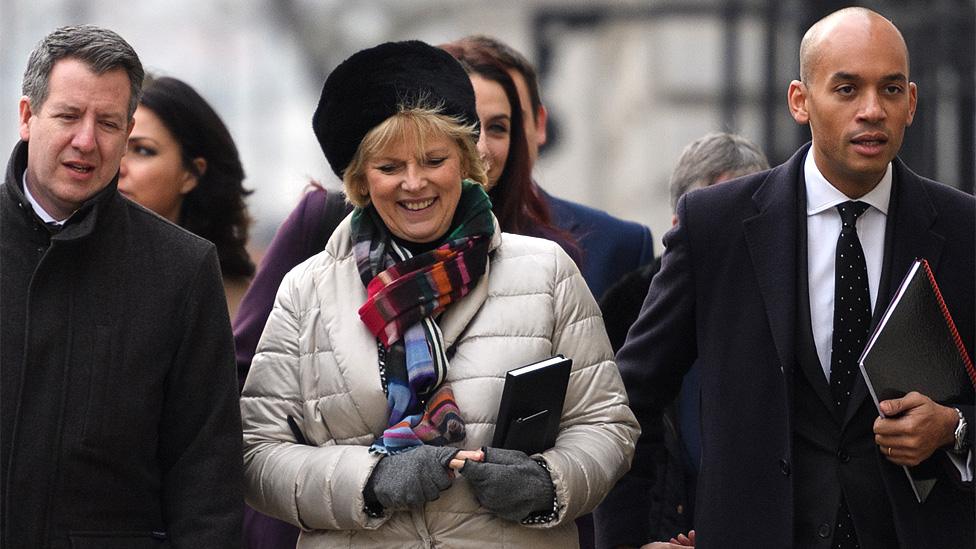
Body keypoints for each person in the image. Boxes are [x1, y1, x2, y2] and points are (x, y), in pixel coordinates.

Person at [239, 40, 639, 548]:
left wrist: (546, 482)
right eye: (389, 167)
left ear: (467, 161)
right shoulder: (306, 289)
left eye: (433, 160)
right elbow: (256, 453)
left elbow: (606, 425)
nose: (414, 183)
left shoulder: (546, 271)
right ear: (361, 179)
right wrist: (373, 481)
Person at [613, 7, 974, 549]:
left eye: (891, 90)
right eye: (847, 89)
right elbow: (627, 400)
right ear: (800, 101)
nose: (872, 110)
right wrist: (632, 539)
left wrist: (955, 427)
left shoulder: (964, 230)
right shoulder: (716, 226)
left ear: (912, 103)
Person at [0, 25, 243, 547]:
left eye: (108, 123)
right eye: (67, 116)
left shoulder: (182, 269)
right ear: (27, 116)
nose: (86, 141)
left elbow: (206, 474)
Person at [594, 132, 768, 549]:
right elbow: (616, 434)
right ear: (678, 228)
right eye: (723, 218)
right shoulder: (625, 311)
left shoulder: (786, 305)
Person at [446, 35, 655, 300]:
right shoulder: (389, 241)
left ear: (538, 124)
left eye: (501, 125)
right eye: (461, 125)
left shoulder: (617, 245)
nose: (481, 147)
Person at [119, 75, 255, 318]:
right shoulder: (66, 273)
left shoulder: (240, 311)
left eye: (142, 150)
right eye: (115, 146)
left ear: (191, 174)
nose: (118, 167)